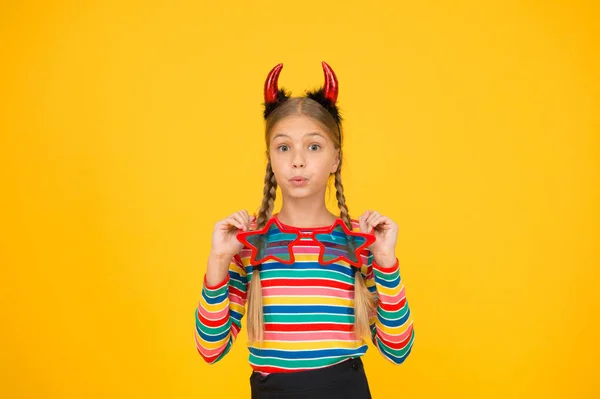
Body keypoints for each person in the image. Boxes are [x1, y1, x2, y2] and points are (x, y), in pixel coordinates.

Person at [194, 61, 415, 398]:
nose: (298, 160)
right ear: (270, 157)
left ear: (336, 159)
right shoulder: (249, 243)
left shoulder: (359, 241)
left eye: (313, 146)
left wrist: (385, 262)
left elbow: (398, 349)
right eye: (284, 147)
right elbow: (211, 350)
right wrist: (218, 262)